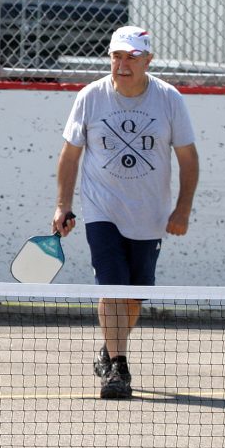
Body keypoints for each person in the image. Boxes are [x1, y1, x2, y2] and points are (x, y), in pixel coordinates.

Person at [52, 26, 199, 399]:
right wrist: (63, 205)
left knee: (135, 295)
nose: (123, 64)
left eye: (132, 57)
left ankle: (108, 347)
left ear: (148, 60)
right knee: (112, 282)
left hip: (150, 216)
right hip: (102, 209)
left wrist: (182, 209)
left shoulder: (168, 100)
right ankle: (118, 367)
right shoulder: (90, 97)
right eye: (117, 56)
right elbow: (70, 155)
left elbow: (188, 158)